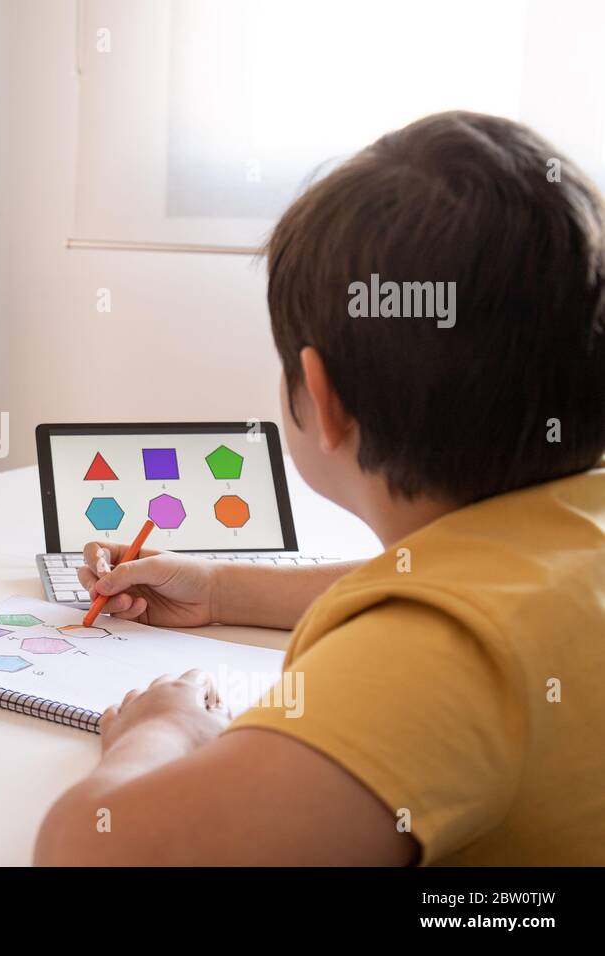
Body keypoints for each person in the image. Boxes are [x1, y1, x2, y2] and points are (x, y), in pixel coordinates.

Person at [34, 112, 605, 866]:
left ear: (321, 396)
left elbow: (85, 852)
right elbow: (462, 586)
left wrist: (163, 729)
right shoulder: (562, 547)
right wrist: (221, 590)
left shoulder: (431, 661)